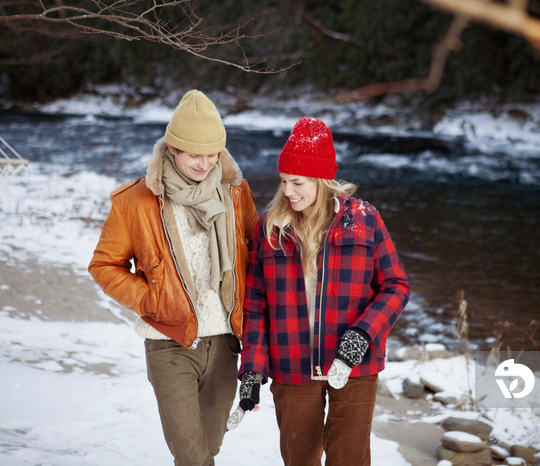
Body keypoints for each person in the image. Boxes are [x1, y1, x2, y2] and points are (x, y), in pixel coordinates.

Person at [88, 90, 258, 466]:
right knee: (192, 455)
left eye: (212, 154)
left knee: (209, 446)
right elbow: (104, 265)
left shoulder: (234, 191)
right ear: (173, 149)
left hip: (226, 340)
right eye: (195, 154)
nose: (204, 163)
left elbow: (254, 251)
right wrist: (151, 301)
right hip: (169, 341)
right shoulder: (136, 201)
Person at [237, 117, 410, 466]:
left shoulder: (365, 219)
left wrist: (362, 334)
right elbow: (255, 305)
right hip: (292, 365)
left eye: (297, 182)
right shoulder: (270, 227)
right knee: (299, 458)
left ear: (321, 180)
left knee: (350, 459)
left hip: (354, 366)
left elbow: (396, 286)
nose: (288, 191)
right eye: (284, 181)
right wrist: (252, 369)